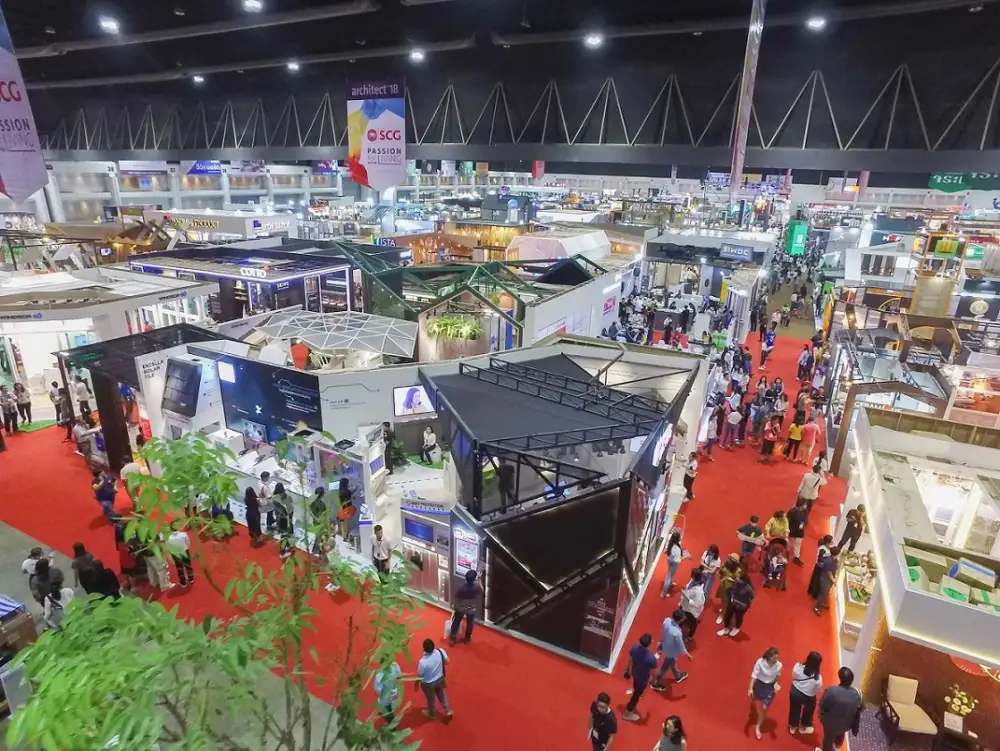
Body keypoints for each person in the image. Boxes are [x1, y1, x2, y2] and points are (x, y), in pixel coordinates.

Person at [817, 667, 863, 751]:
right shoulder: (858, 694)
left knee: (828, 739)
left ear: (840, 678)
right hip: (846, 723)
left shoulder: (832, 691)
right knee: (841, 733)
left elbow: (823, 705)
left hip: (830, 723)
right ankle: (837, 747)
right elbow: (861, 708)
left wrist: (820, 714)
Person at [650, 610, 691, 691]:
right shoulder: (677, 633)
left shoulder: (667, 620)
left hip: (665, 645)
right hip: (671, 652)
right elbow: (681, 645)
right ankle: (655, 682)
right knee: (665, 667)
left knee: (672, 663)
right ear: (680, 619)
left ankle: (678, 675)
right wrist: (688, 655)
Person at [749, 647, 783, 740]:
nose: (776, 660)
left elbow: (778, 675)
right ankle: (753, 703)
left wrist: (776, 684)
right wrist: (750, 688)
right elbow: (754, 675)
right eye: (774, 658)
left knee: (764, 707)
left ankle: (758, 726)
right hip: (759, 684)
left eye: (777, 658)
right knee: (754, 697)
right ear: (769, 657)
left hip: (770, 687)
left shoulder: (779, 665)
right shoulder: (760, 662)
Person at [622, 633, 658, 721]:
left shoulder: (634, 648)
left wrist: (627, 669)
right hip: (643, 679)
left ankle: (636, 692)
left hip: (634, 673)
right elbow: (654, 672)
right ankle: (627, 713)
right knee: (636, 696)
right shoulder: (651, 658)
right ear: (650, 643)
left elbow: (630, 660)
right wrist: (654, 680)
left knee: (636, 686)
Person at [789, 651, 824, 736]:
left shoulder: (798, 667)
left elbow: (793, 676)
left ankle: (793, 727)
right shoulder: (818, 678)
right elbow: (818, 690)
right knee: (809, 710)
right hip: (808, 697)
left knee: (794, 709)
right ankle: (803, 725)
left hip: (795, 692)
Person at [416, 638, 451, 719]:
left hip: (428, 684)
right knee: (442, 695)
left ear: (424, 649)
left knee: (430, 699)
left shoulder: (423, 662)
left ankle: (432, 713)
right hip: (439, 679)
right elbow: (447, 661)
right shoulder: (440, 651)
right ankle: (448, 710)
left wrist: (416, 684)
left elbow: (420, 675)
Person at [450, 569, 483, 645]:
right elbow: (482, 590)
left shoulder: (461, 587)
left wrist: (454, 605)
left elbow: (457, 598)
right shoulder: (476, 587)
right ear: (474, 579)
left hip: (461, 607)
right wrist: (479, 579)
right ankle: (467, 639)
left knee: (456, 621)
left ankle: (452, 638)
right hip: (471, 608)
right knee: (470, 623)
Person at [718, 569, 755, 637]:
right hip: (733, 602)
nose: (737, 578)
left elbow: (752, 597)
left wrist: (748, 606)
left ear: (743, 580)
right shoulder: (736, 582)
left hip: (742, 605)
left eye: (738, 578)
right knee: (727, 615)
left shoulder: (748, 588)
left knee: (738, 617)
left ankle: (736, 628)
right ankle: (726, 629)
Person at [678, 569, 706, 638]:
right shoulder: (693, 581)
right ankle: (680, 626)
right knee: (681, 615)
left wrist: (686, 596)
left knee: (692, 622)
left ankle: (691, 635)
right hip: (685, 605)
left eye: (693, 576)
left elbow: (696, 604)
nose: (692, 578)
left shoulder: (698, 592)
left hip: (692, 610)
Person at [813, 546, 840, 616]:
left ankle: (822, 603)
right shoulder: (829, 561)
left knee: (826, 592)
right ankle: (816, 607)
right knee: (823, 594)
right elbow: (829, 574)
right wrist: (834, 581)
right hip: (825, 579)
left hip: (828, 579)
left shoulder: (833, 559)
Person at [374, 659, 402, 725]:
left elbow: (378, 691)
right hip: (394, 692)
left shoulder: (379, 676)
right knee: (391, 707)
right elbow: (399, 677)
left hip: (385, 698)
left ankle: (392, 725)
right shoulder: (395, 665)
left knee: (388, 710)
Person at [661, 530, 685, 596]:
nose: (680, 537)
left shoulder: (670, 543)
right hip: (674, 563)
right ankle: (664, 592)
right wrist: (684, 557)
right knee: (669, 576)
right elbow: (677, 560)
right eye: (679, 537)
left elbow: (667, 551)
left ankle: (670, 583)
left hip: (669, 561)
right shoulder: (677, 549)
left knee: (670, 574)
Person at [272, 483, 293, 560]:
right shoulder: (277, 499)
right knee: (284, 535)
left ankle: (287, 545)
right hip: (282, 519)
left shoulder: (276, 497)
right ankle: (282, 552)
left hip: (282, 518)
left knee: (285, 533)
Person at [788, 498, 810, 565]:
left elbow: (806, 519)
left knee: (798, 545)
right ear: (801, 505)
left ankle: (796, 557)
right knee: (789, 544)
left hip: (800, 532)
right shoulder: (792, 512)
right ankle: (784, 554)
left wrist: (804, 523)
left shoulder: (805, 511)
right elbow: (787, 520)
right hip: (792, 531)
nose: (806, 506)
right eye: (805, 504)